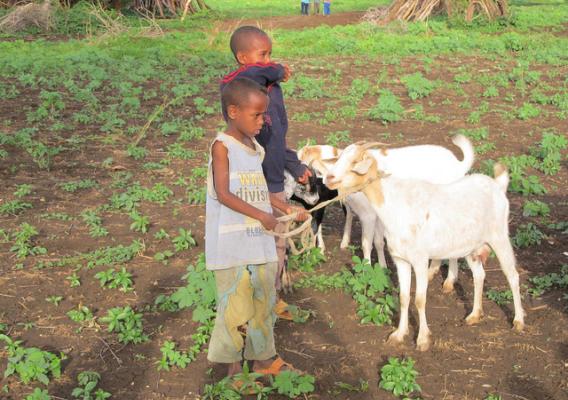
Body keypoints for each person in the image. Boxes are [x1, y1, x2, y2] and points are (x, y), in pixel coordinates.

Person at [206, 78, 303, 385]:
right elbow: (223, 193)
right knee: (234, 308)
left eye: (264, 115)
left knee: (264, 302)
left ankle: (263, 359)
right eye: (257, 115)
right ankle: (233, 371)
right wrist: (262, 215)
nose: (263, 121)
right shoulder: (223, 148)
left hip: (258, 243)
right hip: (232, 247)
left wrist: (282, 207)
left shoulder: (254, 148)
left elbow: (259, 191)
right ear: (233, 111)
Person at [221, 26, 311, 320]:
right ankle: (246, 301)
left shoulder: (272, 91)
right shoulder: (238, 88)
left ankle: (270, 297)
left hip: (272, 183)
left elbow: (277, 139)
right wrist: (274, 69)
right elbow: (241, 78)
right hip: (248, 186)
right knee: (250, 243)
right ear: (241, 57)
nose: (269, 61)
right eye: (262, 55)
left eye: (271, 55)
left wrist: (295, 165)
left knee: (277, 244)